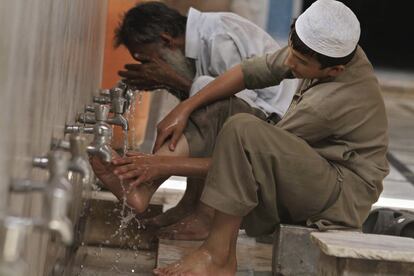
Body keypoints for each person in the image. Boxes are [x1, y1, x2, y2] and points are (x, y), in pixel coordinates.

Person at [112, 0, 389, 274]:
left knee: (242, 131)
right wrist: (186, 107)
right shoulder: (321, 50)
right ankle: (142, 186)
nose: (290, 62)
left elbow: (251, 160)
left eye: (301, 62)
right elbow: (249, 72)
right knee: (217, 103)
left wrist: (162, 165)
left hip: (339, 196)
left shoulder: (327, 104)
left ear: (334, 72)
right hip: (318, 168)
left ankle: (217, 257)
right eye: (292, 52)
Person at [91, 1, 297, 239]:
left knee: (205, 106)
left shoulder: (219, 39)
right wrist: (174, 85)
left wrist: (176, 81)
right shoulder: (200, 41)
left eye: (152, 59)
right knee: (195, 109)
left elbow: (232, 104)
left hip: (273, 126)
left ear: (167, 40)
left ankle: (202, 214)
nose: (151, 67)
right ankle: (188, 205)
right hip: (252, 118)